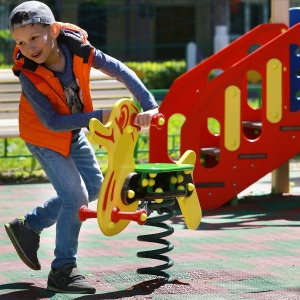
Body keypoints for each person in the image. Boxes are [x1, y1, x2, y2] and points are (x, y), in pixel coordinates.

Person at [4, 0, 159, 294]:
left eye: (34, 37)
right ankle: (63, 270)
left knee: (96, 189)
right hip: (44, 136)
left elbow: (121, 70)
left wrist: (150, 106)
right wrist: (98, 116)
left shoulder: (79, 50)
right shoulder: (28, 73)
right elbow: (50, 121)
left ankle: (29, 226)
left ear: (52, 30)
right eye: (21, 42)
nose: (29, 47)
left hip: (72, 131)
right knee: (75, 197)